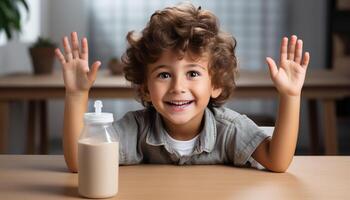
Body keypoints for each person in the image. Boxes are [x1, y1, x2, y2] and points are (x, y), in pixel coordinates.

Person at [55, 3, 310, 173]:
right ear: (145, 88)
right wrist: (77, 95)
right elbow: (80, 163)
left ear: (216, 85)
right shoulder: (136, 128)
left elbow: (277, 161)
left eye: (193, 73)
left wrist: (289, 95)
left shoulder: (230, 129)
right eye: (164, 74)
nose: (178, 87)